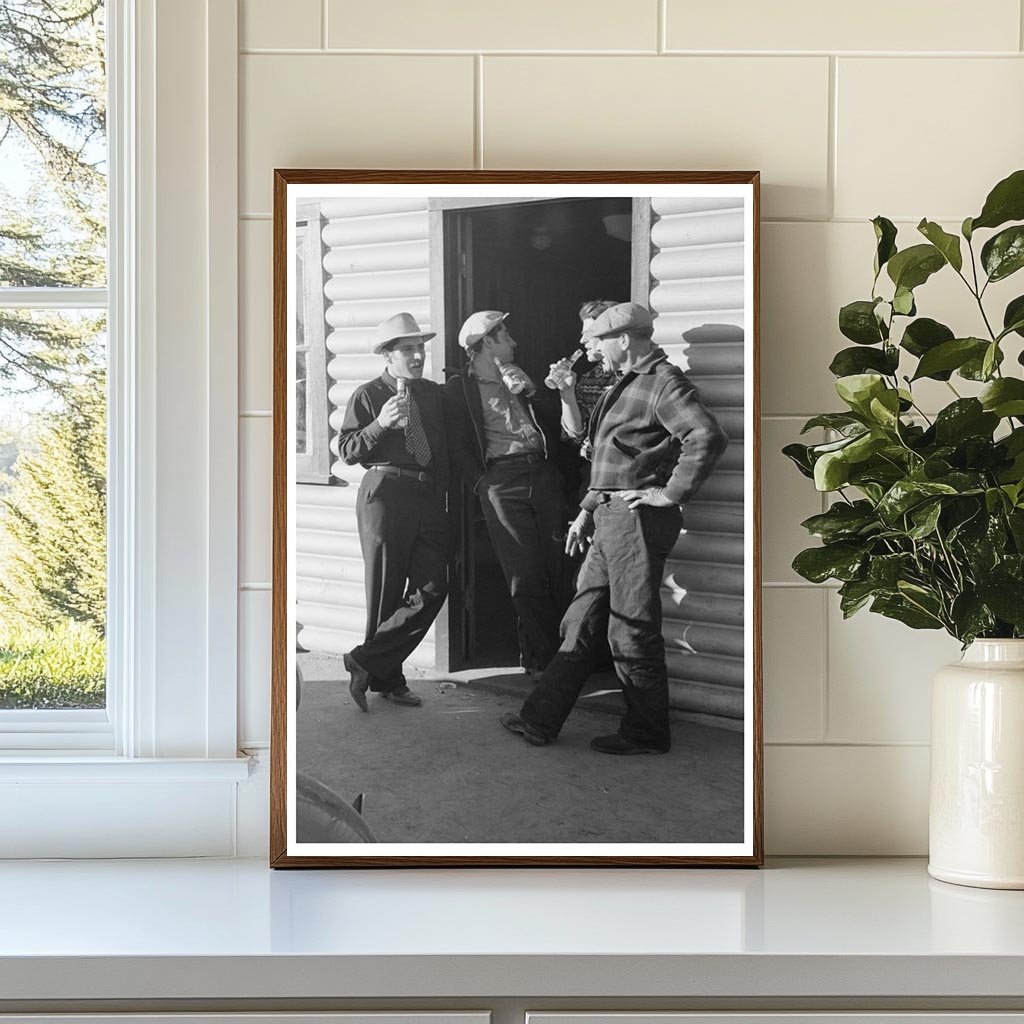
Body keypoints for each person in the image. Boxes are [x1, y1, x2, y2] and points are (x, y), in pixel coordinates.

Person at [500, 302, 729, 755]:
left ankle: (646, 732)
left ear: (624, 339)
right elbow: (614, 459)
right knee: (581, 621)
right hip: (609, 515)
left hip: (637, 521)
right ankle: (539, 719)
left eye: (600, 340)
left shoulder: (663, 383)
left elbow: (706, 436)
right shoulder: (626, 384)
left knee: (631, 628)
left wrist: (669, 493)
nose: (594, 349)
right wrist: (587, 507)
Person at [443, 310, 573, 676]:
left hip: (543, 475)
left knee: (557, 567)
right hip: (502, 481)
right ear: (486, 343)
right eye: (506, 336)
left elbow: (559, 432)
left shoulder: (519, 378)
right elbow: (457, 446)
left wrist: (534, 392)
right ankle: (544, 665)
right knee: (524, 576)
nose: (514, 342)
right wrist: (481, 483)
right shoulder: (460, 390)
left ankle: (547, 659)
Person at [336, 312, 449, 712]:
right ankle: (389, 679)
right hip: (383, 493)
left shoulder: (432, 394)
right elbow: (348, 451)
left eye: (420, 348)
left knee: (434, 586)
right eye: (408, 349)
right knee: (385, 590)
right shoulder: (368, 395)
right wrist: (380, 424)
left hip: (425, 493)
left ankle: (365, 661)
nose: (417, 355)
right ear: (387, 356)